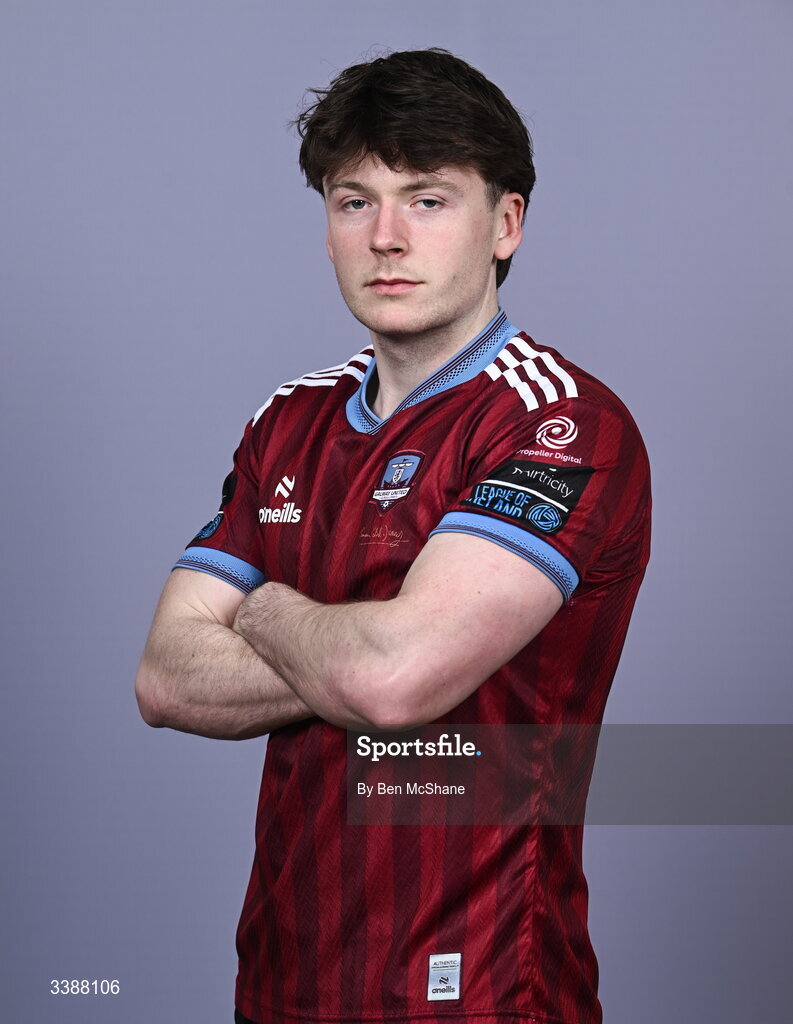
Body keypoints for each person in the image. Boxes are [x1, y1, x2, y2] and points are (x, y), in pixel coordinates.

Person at [135, 48, 651, 1024]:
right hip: (283, 981)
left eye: (425, 199)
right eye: (351, 200)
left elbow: (392, 682)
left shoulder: (560, 423)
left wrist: (262, 605)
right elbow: (165, 676)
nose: (384, 238)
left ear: (504, 225)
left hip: (484, 988)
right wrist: (359, 643)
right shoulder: (286, 423)